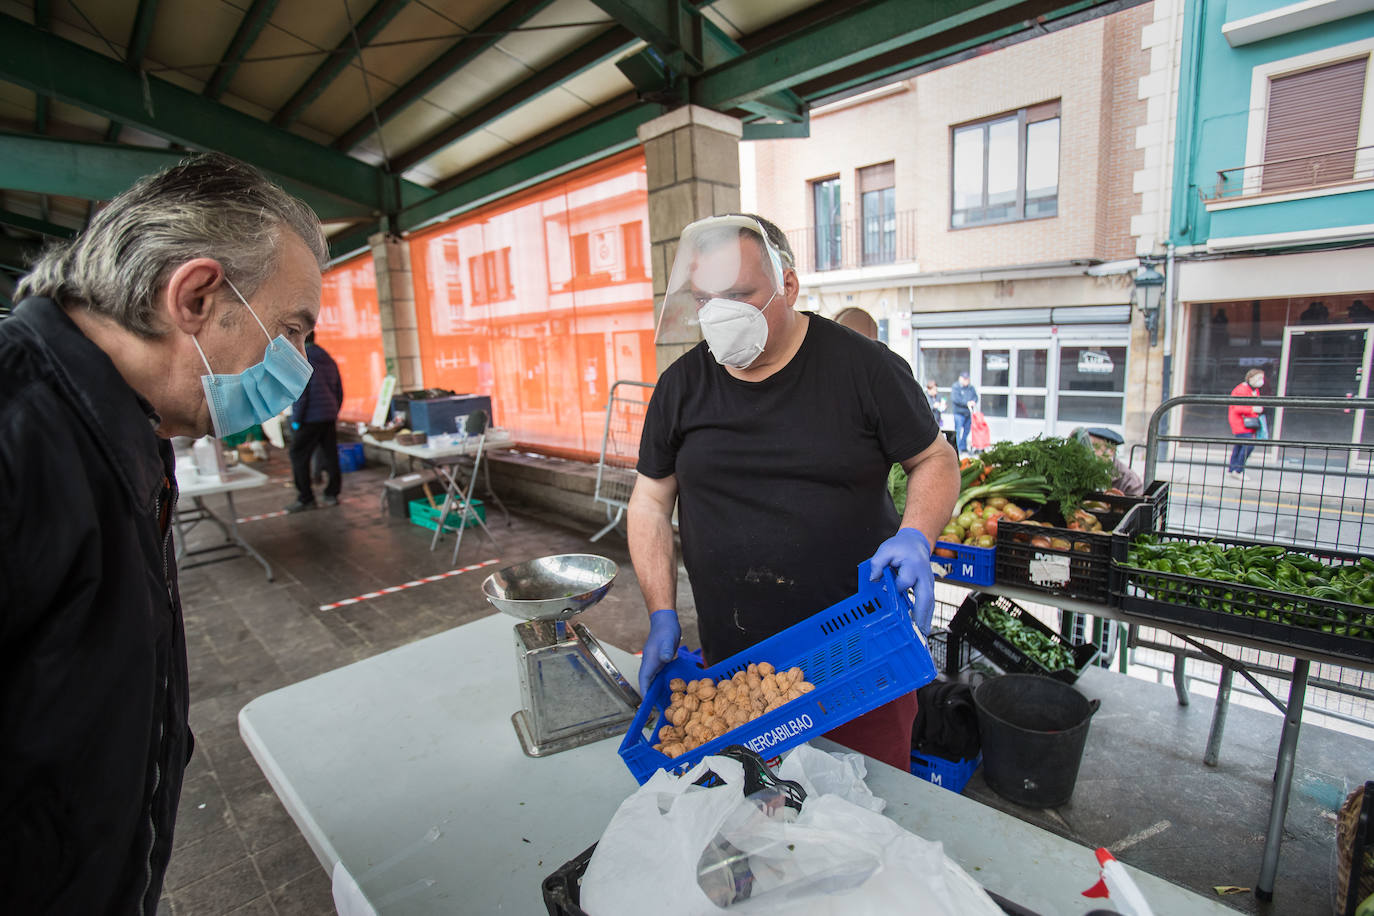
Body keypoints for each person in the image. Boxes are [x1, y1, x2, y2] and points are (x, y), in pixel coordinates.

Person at [0, 153, 326, 913]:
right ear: (198, 296)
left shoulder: (125, 427)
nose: (300, 364)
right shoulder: (19, 434)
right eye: (290, 329)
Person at [628, 214, 960, 770]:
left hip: (860, 659)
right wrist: (660, 609)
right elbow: (650, 502)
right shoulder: (681, 386)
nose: (720, 314)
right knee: (757, 828)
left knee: (865, 824)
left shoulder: (865, 368)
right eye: (707, 300)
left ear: (787, 285)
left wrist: (916, 535)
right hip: (737, 671)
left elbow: (934, 459)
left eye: (739, 295)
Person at [286, 332, 344, 511]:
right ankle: (332, 494)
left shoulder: (302, 360)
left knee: (298, 455)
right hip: (328, 415)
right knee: (330, 454)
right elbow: (339, 389)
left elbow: (300, 395)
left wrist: (296, 420)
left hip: (309, 418)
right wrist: (334, 410)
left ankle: (305, 498)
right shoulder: (327, 358)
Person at [1073, 427, 1144, 497]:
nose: (1088, 450)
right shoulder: (1078, 471)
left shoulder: (1129, 479)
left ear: (1111, 451)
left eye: (1094, 446)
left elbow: (1137, 504)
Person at [1227, 368, 1265, 481]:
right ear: (1250, 378)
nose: (1261, 381)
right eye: (1258, 378)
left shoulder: (1254, 390)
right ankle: (1238, 470)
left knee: (1239, 446)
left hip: (1248, 423)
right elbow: (1237, 407)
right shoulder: (1241, 390)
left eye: (1262, 378)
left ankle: (1232, 469)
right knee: (1248, 445)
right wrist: (1253, 409)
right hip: (1241, 423)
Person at [950, 370, 978, 454]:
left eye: (967, 379)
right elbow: (956, 399)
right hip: (959, 413)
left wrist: (973, 401)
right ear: (960, 379)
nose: (966, 381)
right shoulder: (956, 387)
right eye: (964, 379)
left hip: (968, 413)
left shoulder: (971, 387)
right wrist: (967, 403)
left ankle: (963, 446)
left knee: (967, 430)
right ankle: (957, 449)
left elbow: (975, 397)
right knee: (958, 431)